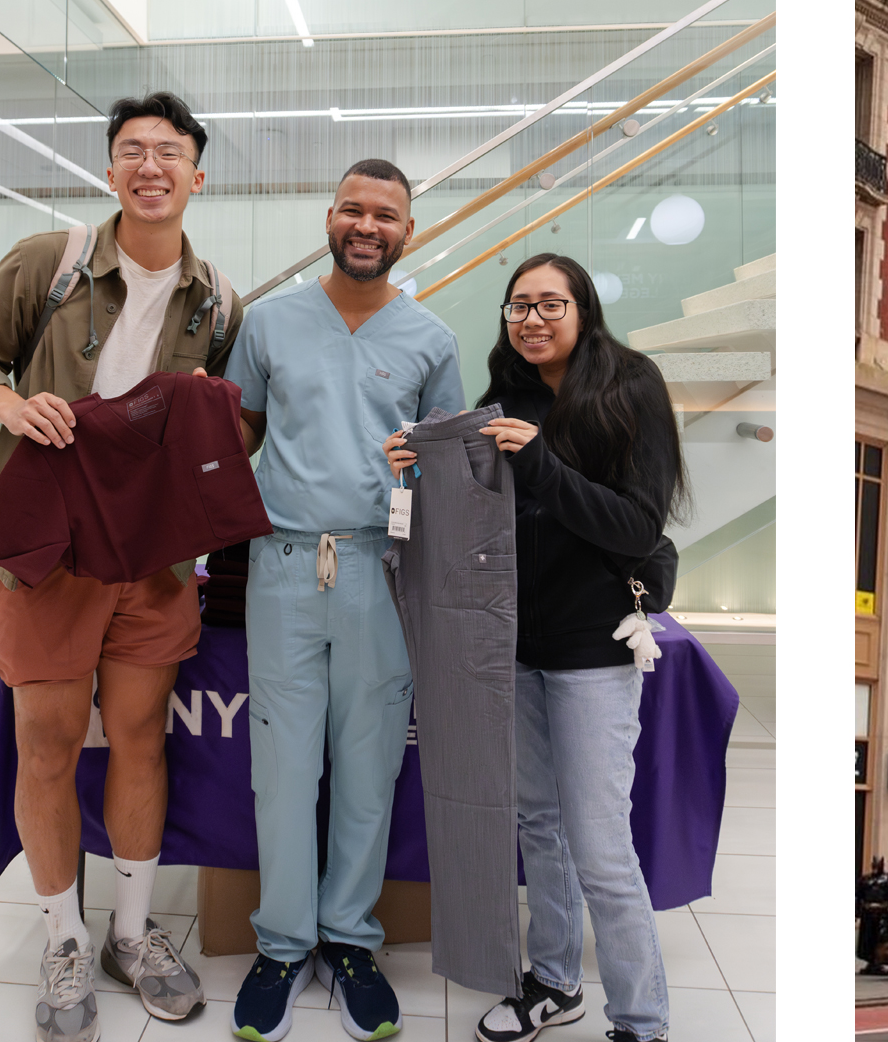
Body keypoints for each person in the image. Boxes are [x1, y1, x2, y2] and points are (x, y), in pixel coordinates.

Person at [0, 91, 244, 1042]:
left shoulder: (217, 300)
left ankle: (129, 931)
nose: (150, 166)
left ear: (199, 174)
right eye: (131, 151)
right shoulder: (54, 260)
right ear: (111, 170)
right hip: (47, 551)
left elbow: (237, 431)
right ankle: (63, 933)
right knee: (48, 740)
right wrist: (9, 404)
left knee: (142, 737)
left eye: (169, 151)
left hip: (153, 558)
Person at [388, 252, 684, 1042]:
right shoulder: (498, 405)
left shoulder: (631, 389)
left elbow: (636, 527)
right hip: (510, 648)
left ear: (583, 309)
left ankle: (643, 1020)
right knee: (539, 829)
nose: (532, 320)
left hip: (594, 652)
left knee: (599, 846)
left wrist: (542, 464)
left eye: (550, 304)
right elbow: (464, 530)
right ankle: (553, 983)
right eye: (518, 307)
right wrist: (410, 480)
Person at [224, 157, 466, 1041]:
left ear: (410, 231)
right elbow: (236, 433)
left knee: (369, 766)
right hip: (284, 564)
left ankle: (351, 939)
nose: (368, 226)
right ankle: (284, 944)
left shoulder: (431, 339)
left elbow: (451, 469)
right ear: (329, 218)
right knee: (284, 769)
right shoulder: (270, 323)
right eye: (353, 210)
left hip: (382, 567)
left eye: (386, 215)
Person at [857, 858, 888, 976]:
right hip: (868, 913)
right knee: (867, 939)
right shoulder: (865, 880)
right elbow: (858, 897)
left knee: (881, 939)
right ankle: (870, 962)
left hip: (883, 914)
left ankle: (878, 962)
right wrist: (856, 913)